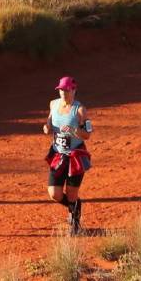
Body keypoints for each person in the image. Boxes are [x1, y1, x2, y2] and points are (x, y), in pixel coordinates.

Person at [42, 76, 91, 235]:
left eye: (67, 89)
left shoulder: (80, 110)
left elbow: (87, 134)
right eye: (61, 89)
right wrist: (47, 127)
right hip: (58, 154)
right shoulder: (53, 104)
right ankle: (74, 207)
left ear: (74, 90)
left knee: (71, 193)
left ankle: (75, 225)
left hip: (75, 156)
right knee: (54, 193)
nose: (63, 92)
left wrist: (76, 131)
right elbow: (49, 121)